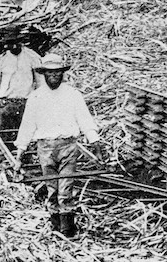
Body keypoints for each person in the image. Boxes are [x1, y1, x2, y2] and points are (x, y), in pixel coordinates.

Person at [13, 53, 103, 238]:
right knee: (52, 187)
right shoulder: (36, 97)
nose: (53, 76)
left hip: (68, 146)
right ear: (44, 74)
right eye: (49, 73)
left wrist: (96, 146)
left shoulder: (73, 95)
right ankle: (55, 225)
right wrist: (19, 157)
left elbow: (85, 121)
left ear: (62, 73)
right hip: (45, 148)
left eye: (57, 73)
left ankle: (67, 229)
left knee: (66, 188)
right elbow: (27, 126)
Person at [0, 41, 43, 131]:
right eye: (11, 44)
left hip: (26, 105)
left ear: (21, 43)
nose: (14, 46)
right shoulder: (0, 60)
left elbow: (40, 84)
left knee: (28, 136)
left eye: (16, 43)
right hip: (6, 106)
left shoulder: (32, 57)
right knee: (7, 137)